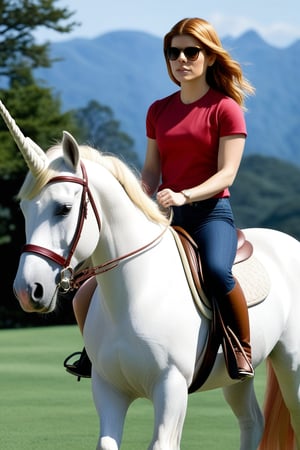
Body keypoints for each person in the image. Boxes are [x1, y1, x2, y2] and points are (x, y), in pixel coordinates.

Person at [64, 17, 255, 380]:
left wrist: (185, 195)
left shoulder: (225, 108)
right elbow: (151, 172)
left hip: (212, 215)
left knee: (217, 271)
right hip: (166, 216)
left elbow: (227, 174)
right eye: (173, 52)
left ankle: (239, 347)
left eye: (191, 51)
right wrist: (135, 200)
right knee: (88, 287)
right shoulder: (158, 110)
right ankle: (94, 353)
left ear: (210, 57)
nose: (181, 59)